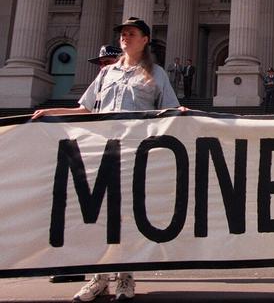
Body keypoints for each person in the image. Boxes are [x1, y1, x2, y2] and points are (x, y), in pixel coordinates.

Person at [33, 17, 186, 301]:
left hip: (134, 154)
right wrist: (52, 112)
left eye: (131, 33)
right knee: (99, 216)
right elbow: (86, 108)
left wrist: (184, 113)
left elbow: (168, 111)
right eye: (122, 34)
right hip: (102, 152)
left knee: (127, 216)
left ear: (145, 39)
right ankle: (99, 277)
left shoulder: (156, 74)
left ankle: (126, 277)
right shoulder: (107, 74)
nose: (125, 37)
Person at [48, 44, 122, 284]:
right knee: (81, 209)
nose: (103, 67)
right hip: (96, 150)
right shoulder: (99, 82)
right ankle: (75, 265)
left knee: (115, 213)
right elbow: (83, 110)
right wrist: (49, 113)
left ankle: (120, 267)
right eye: (101, 63)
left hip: (123, 152)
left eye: (107, 62)